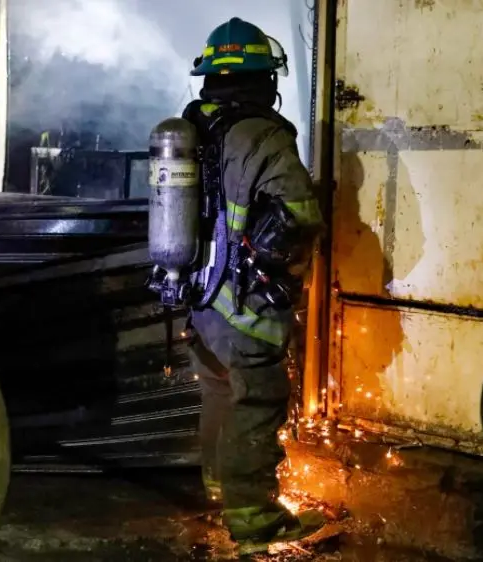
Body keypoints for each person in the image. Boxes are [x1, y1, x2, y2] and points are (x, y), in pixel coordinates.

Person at [182, 17, 326, 553]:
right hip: (245, 299)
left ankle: (219, 488)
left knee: (218, 388)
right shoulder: (264, 135)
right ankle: (254, 521)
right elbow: (300, 214)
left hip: (196, 297)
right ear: (265, 78)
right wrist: (286, 267)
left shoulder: (193, 127)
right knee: (258, 397)